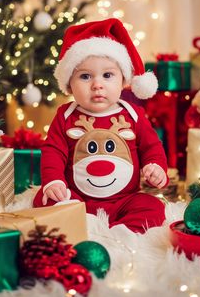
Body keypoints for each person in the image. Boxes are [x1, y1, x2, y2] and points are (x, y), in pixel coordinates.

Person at [33, 18, 169, 233]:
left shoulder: (133, 115)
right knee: (45, 198)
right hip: (78, 200)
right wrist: (55, 182)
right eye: (85, 76)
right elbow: (53, 151)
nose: (97, 85)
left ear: (123, 80)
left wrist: (155, 166)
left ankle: (120, 231)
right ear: (69, 84)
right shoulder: (65, 115)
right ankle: (85, 224)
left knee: (153, 207)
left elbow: (151, 147)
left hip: (124, 200)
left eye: (107, 75)